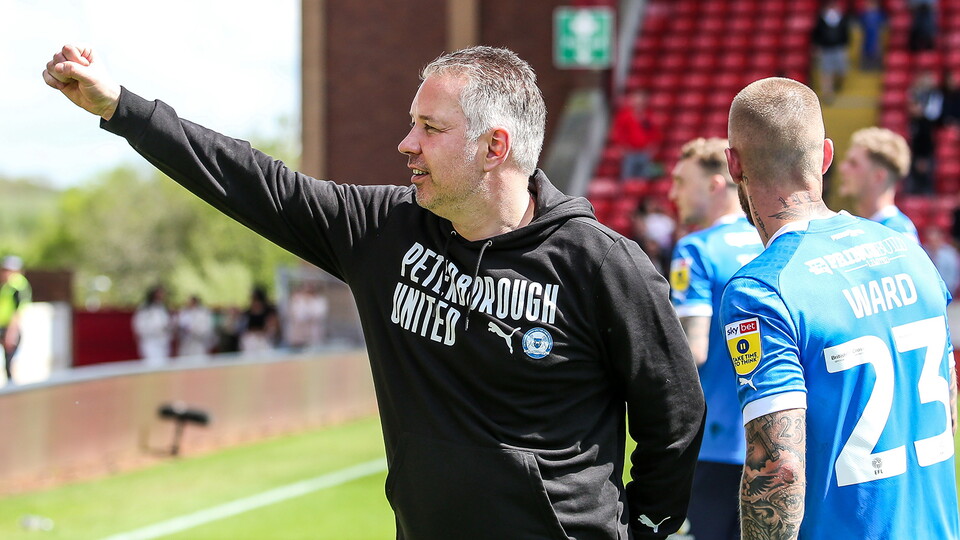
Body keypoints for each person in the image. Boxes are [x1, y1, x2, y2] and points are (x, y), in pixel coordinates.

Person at [44, 44, 705, 538]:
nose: (405, 143)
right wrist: (120, 108)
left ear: (494, 146)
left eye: (430, 128)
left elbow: (674, 419)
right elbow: (253, 181)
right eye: (412, 122)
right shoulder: (382, 231)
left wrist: (644, 532)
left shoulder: (602, 265)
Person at [721, 77, 959, 539]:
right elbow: (947, 406)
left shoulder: (761, 290)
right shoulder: (906, 250)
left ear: (734, 164)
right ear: (825, 155)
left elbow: (779, 471)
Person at [667, 138, 764, 540]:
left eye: (681, 181)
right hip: (775, 440)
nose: (672, 194)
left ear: (714, 185)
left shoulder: (694, 250)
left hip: (715, 444)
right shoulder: (769, 242)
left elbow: (693, 350)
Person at [838, 127, 920, 242]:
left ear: (878, 177)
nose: (842, 168)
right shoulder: (865, 227)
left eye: (853, 164)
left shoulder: (897, 236)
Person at [610, 90, 663, 180]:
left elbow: (656, 134)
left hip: (645, 153)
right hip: (630, 153)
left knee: (645, 179)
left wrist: (653, 148)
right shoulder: (624, 116)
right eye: (636, 100)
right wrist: (621, 148)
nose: (639, 102)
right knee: (628, 179)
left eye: (641, 100)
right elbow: (618, 133)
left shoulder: (650, 117)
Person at [811, 0, 852, 104]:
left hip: (839, 48)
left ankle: (837, 85)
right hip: (826, 49)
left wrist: (845, 46)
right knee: (826, 72)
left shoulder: (842, 18)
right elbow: (816, 34)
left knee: (842, 71)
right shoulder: (821, 19)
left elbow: (846, 33)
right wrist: (817, 47)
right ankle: (827, 93)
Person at [0, 255, 32, 384]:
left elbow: (17, 312)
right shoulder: (6, 285)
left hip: (9, 328)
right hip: (3, 326)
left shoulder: (17, 285)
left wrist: (11, 333)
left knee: (10, 363)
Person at [132, 285, 173, 366]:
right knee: (153, 364)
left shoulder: (163, 308)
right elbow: (140, 326)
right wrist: (156, 329)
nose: (162, 296)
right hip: (151, 341)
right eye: (160, 293)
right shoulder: (145, 308)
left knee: (164, 364)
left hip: (163, 341)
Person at [284, 282, 329, 350]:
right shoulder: (298, 300)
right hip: (298, 333)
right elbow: (296, 315)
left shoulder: (318, 301)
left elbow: (318, 315)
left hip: (313, 332)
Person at [239, 286, 279, 354]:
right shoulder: (247, 313)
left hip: (265, 339)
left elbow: (273, 326)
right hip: (251, 340)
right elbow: (244, 329)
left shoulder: (269, 311)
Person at [924, 226, 960, 295]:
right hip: (928, 291)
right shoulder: (923, 252)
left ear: (940, 239)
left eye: (935, 240)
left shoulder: (950, 254)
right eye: (930, 240)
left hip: (948, 291)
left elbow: (954, 276)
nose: (932, 243)